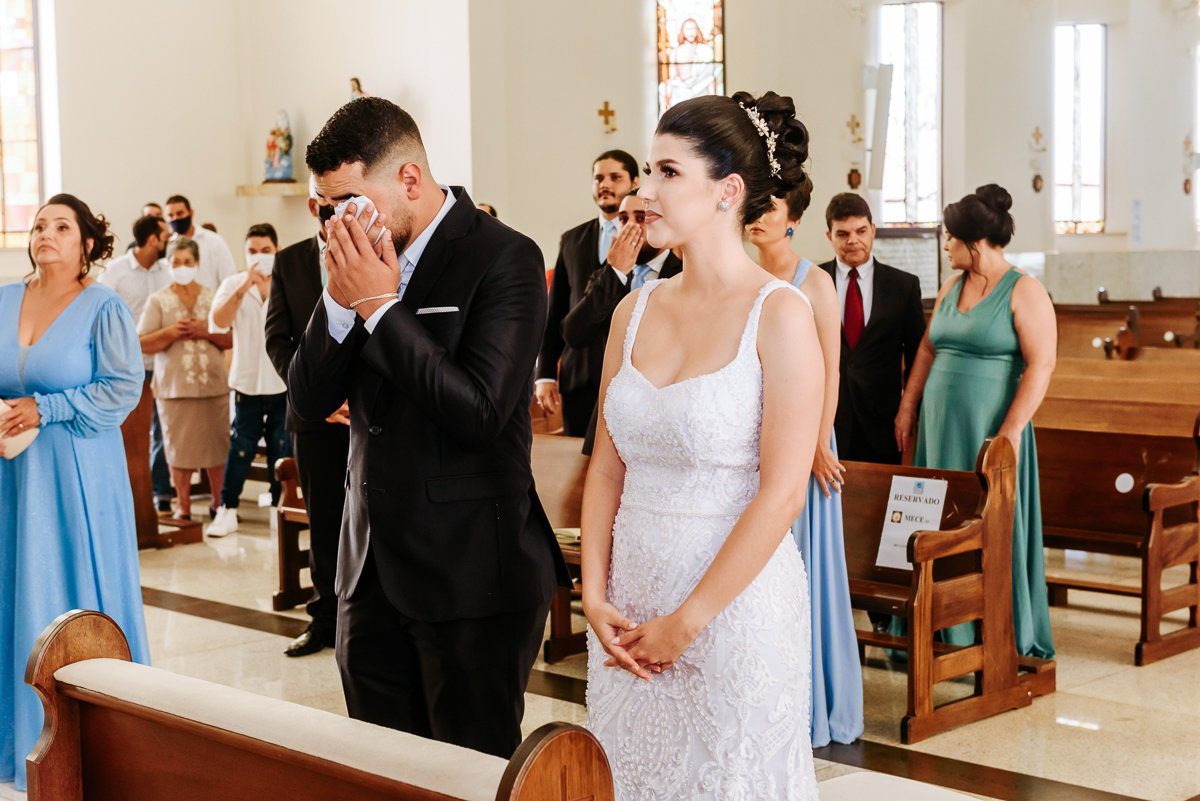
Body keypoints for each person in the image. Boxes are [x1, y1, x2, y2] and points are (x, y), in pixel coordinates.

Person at [288, 97, 571, 757]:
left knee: (469, 768)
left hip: (471, 572)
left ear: (410, 179)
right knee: (383, 769)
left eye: (350, 202)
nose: (338, 222)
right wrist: (339, 301)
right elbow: (306, 403)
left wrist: (381, 307)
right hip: (367, 571)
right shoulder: (348, 270)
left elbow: (478, 412)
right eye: (326, 207)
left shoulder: (504, 257)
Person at [581, 91, 822, 799]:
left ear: (729, 190)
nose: (643, 191)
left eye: (665, 173)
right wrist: (593, 594)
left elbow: (782, 492)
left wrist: (688, 622)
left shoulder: (779, 315)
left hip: (732, 612)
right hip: (627, 616)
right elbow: (605, 467)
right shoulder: (633, 308)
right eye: (646, 172)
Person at [0, 194, 150, 792]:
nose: (46, 234)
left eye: (62, 226)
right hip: (12, 476)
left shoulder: (102, 307)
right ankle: (17, 740)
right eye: (39, 225)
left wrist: (49, 407)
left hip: (77, 473)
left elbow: (121, 388)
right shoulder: (6, 298)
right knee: (15, 589)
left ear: (87, 242)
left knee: (73, 591)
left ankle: (101, 744)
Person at [894, 185, 1056, 660]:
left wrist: (1009, 433)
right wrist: (909, 405)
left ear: (973, 241)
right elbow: (927, 348)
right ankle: (940, 627)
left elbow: (1041, 364)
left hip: (989, 431)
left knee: (985, 524)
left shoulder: (1024, 289)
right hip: (940, 428)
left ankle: (990, 628)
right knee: (937, 522)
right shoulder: (951, 287)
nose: (944, 246)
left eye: (949, 239)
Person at [747, 178, 864, 747]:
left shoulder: (813, 282)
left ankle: (814, 701)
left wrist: (820, 439)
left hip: (807, 439)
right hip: (752, 441)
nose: (759, 217)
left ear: (792, 218)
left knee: (804, 571)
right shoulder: (741, 279)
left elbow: (831, 370)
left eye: (770, 208)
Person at [266, 175, 347, 658]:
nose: (332, 213)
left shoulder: (380, 250)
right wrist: (312, 393)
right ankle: (325, 620)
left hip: (365, 416)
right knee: (325, 522)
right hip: (314, 419)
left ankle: (374, 620)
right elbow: (278, 339)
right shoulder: (290, 260)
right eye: (325, 205)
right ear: (313, 205)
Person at [560, 190, 682, 453]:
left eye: (640, 218)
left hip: (664, 412)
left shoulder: (683, 271)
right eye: (623, 219)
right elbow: (575, 334)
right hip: (608, 412)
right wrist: (616, 272)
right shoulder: (608, 272)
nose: (630, 228)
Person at [536, 150, 640, 436]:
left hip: (630, 376)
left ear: (634, 180)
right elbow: (555, 310)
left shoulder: (652, 239)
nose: (604, 184)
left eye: (615, 177)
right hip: (579, 376)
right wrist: (544, 374)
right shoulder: (572, 239)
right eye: (598, 178)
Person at [819, 193, 926, 465]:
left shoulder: (904, 286)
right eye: (842, 233)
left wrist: (910, 408)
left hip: (884, 422)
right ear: (829, 236)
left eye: (861, 231)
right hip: (825, 421)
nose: (853, 240)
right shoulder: (813, 283)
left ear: (873, 230)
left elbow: (917, 357)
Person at [206, 223, 292, 537]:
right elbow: (217, 322)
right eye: (252, 251)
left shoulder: (289, 281)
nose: (258, 256)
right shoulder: (233, 283)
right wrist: (244, 287)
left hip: (282, 380)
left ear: (277, 251)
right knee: (241, 446)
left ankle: (277, 508)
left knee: (281, 446)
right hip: (246, 381)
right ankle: (227, 510)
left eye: (265, 251)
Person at [137, 237, 232, 521]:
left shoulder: (214, 296)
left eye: (187, 262)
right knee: (178, 451)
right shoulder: (158, 300)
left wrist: (205, 330)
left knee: (218, 448)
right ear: (168, 264)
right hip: (174, 389)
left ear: (197, 263)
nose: (181, 267)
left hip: (213, 385)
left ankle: (219, 504)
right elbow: (141, 342)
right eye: (175, 262)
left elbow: (229, 338)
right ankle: (184, 506)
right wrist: (171, 332)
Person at [100, 214, 174, 510]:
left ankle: (161, 494)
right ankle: (126, 492)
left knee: (162, 428)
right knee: (129, 431)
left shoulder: (167, 270)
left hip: (162, 361)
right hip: (125, 363)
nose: (169, 240)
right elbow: (102, 315)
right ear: (153, 239)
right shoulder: (116, 271)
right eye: (165, 236)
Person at [164, 194, 237, 290]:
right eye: (170, 215)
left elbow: (229, 278)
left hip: (210, 301)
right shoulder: (168, 245)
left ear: (190, 213)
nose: (175, 219)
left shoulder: (214, 241)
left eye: (180, 213)